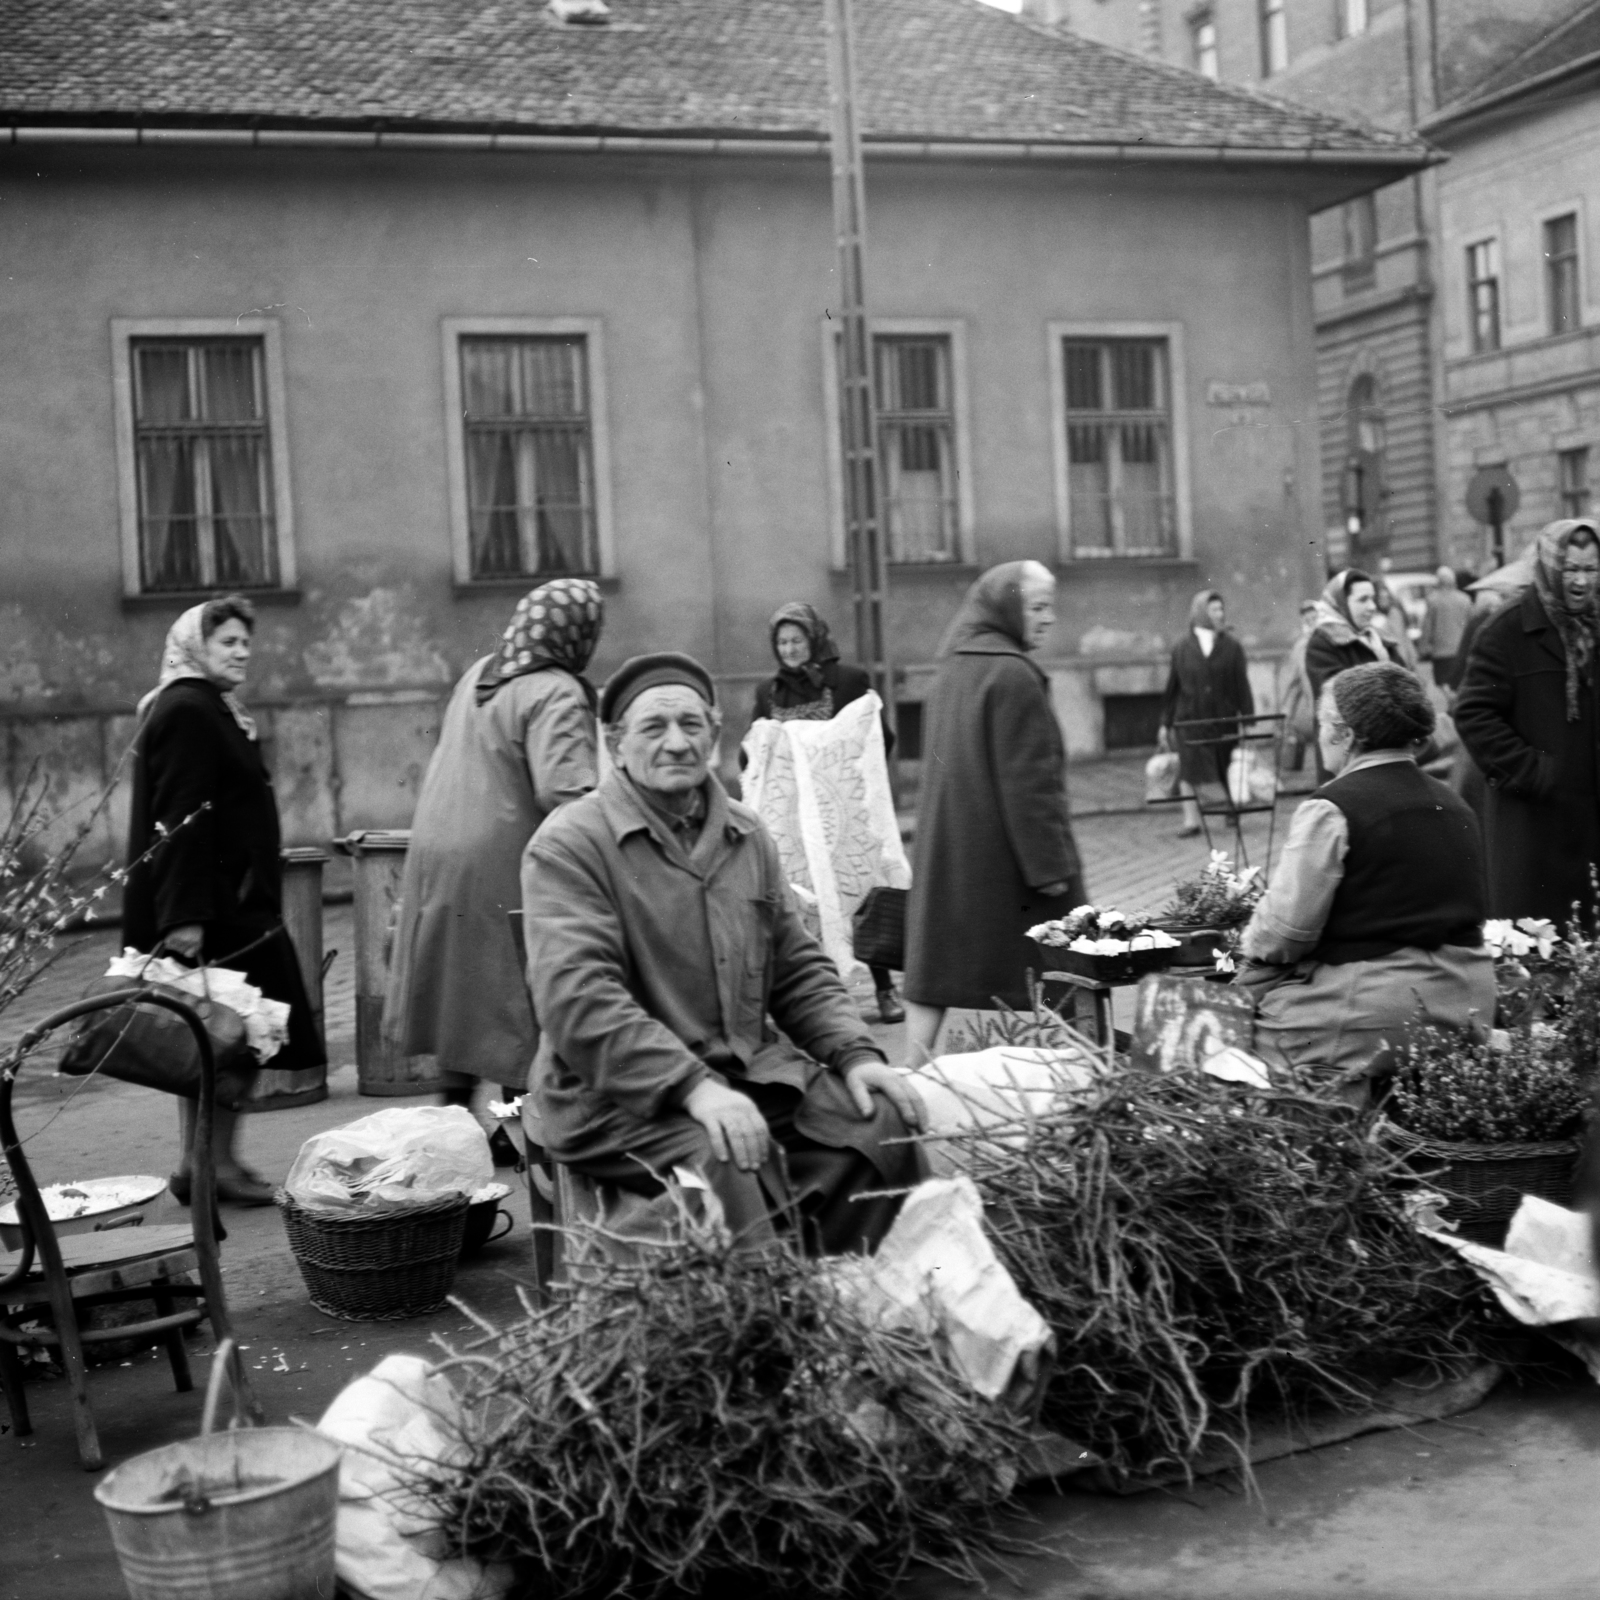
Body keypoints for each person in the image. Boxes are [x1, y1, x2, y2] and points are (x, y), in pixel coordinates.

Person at [521, 652, 927, 1256]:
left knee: (881, 1125)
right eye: (653, 728)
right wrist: (693, 1089)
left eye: (691, 725)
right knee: (727, 1157)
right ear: (615, 742)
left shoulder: (746, 833)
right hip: (614, 1097)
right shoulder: (570, 844)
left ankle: (848, 1302)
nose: (676, 742)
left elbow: (798, 968)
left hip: (743, 1074)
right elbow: (580, 1002)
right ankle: (760, 1326)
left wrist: (855, 1052)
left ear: (714, 736)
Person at [124, 596, 326, 1206]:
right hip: (213, 910)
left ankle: (199, 1164)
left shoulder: (209, 707)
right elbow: (181, 816)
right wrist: (184, 918)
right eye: (227, 643)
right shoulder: (188, 710)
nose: (241, 653)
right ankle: (216, 1166)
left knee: (211, 1037)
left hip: (227, 903)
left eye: (245, 643)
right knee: (235, 1034)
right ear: (195, 647)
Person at [384, 580, 603, 1127]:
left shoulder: (479, 673)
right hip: (504, 856)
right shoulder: (556, 690)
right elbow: (564, 791)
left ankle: (455, 1117)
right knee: (520, 986)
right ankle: (522, 1126)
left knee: (466, 986)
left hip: (439, 849)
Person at [1236, 662, 1493, 1099]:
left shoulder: (1330, 808)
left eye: (1322, 725)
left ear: (1347, 735)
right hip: (1469, 1001)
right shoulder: (1455, 805)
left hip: (1385, 1005)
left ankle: (1332, 1155)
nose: (1319, 737)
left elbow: (1285, 933)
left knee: (1243, 1043)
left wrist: (1249, 945)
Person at [902, 561, 1085, 1060]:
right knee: (1066, 961)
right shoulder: (1015, 675)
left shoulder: (951, 669)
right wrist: (1051, 869)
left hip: (952, 850)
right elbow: (1032, 785)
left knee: (937, 963)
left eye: (1052, 606)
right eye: (1038, 607)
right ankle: (1082, 1062)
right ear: (1008, 608)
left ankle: (913, 1070)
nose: (1049, 619)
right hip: (1010, 860)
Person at [749, 602, 904, 1022]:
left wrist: (847, 781)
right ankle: (816, 994)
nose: (790, 649)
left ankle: (885, 988)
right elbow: (755, 757)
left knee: (863, 891)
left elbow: (877, 738)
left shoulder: (849, 681)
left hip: (843, 814)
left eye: (797, 640)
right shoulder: (768, 693)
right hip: (797, 822)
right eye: (782, 642)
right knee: (801, 899)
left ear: (814, 638)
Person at [1455, 518, 1600, 930]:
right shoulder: (1508, 629)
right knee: (1538, 954)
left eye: (1591, 570)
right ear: (1550, 567)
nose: (1580, 582)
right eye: (1570, 569)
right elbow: (1473, 713)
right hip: (1536, 823)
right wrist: (1532, 771)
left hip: (1592, 816)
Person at [1158, 589, 1255, 837]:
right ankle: (1191, 821)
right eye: (1214, 609)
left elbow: (1241, 683)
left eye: (1221, 609)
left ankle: (1231, 809)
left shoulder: (1232, 647)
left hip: (1224, 718)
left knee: (1224, 764)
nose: (1219, 614)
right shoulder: (1181, 648)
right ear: (1200, 612)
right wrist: (1165, 723)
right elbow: (1173, 687)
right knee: (1188, 769)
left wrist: (1248, 717)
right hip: (1190, 718)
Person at [1304, 569, 1407, 780]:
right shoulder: (1323, 643)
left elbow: (1407, 685)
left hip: (1387, 749)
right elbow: (1340, 697)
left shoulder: (1379, 639)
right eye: (1363, 600)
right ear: (1341, 603)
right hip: (1347, 756)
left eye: (1373, 599)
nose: (1372, 607)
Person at [1279, 599, 1320, 771]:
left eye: (1314, 617)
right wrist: (1286, 711)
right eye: (1306, 619)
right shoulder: (1301, 647)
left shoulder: (1334, 640)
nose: (1311, 622)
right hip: (1316, 709)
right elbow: (1293, 683)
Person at [1420, 565, 1474, 689]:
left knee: (1443, 684)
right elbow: (1471, 624)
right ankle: (1454, 704)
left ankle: (1453, 704)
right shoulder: (1465, 599)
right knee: (1459, 683)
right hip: (1461, 649)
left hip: (1441, 652)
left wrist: (1423, 648)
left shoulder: (1432, 600)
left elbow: (1427, 626)